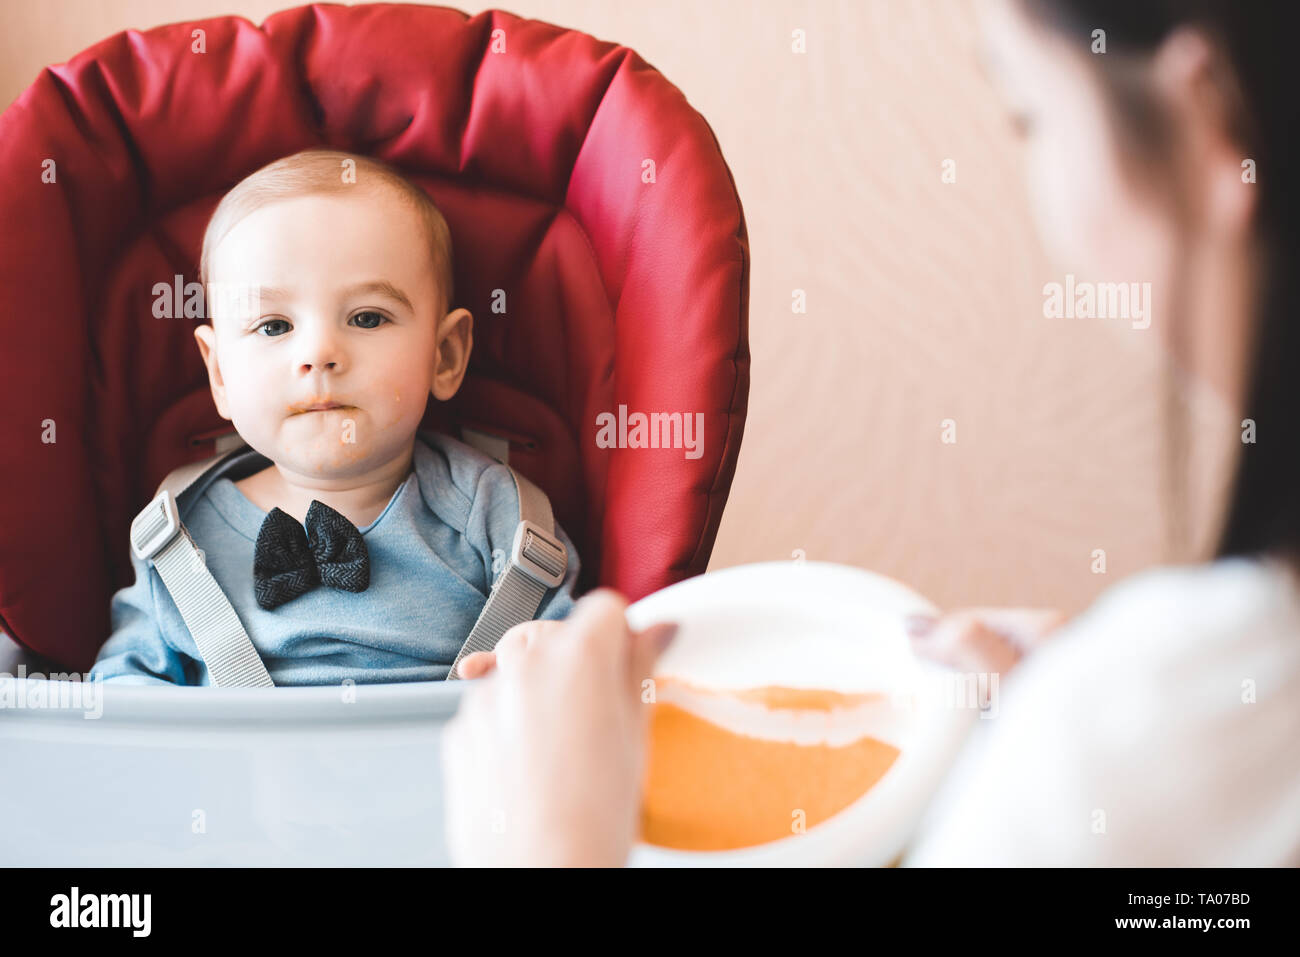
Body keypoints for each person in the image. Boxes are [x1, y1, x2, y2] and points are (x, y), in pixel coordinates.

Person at [440, 0, 1300, 866]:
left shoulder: (1160, 726)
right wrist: (1074, 741)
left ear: (1212, 121)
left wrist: (550, 842)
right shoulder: (1158, 722)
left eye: (1030, 115)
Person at [90, 149, 581, 686]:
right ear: (221, 376)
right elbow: (122, 694)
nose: (319, 352)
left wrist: (552, 663)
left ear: (445, 356)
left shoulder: (502, 519)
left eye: (367, 317)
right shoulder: (180, 533)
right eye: (274, 326)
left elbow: (583, 668)